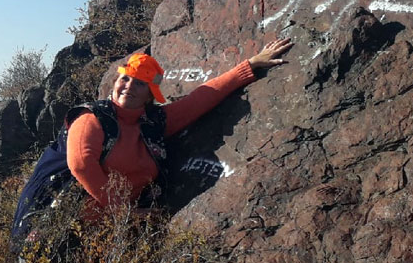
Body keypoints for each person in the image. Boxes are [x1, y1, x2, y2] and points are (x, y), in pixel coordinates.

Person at [66, 38, 293, 220]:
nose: (128, 87)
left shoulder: (152, 123)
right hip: (73, 225)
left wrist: (251, 65)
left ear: (150, 95)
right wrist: (123, 211)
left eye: (139, 83)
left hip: (120, 226)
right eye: (124, 79)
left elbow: (199, 99)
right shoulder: (93, 119)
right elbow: (80, 164)